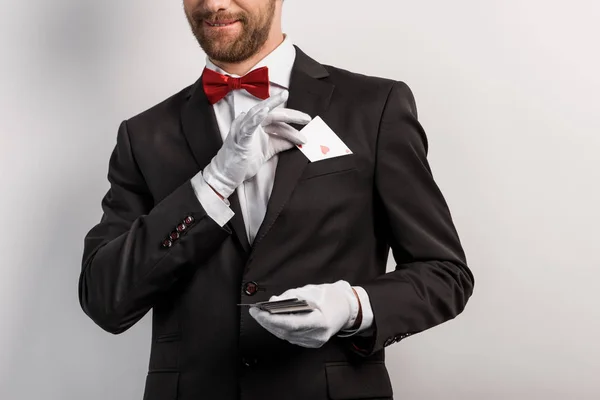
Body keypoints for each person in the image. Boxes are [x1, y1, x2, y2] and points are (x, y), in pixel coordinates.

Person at [78, 0, 475, 399]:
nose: (214, 3)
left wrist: (353, 305)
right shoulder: (143, 135)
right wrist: (213, 183)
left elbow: (444, 273)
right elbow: (105, 299)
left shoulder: (374, 107)